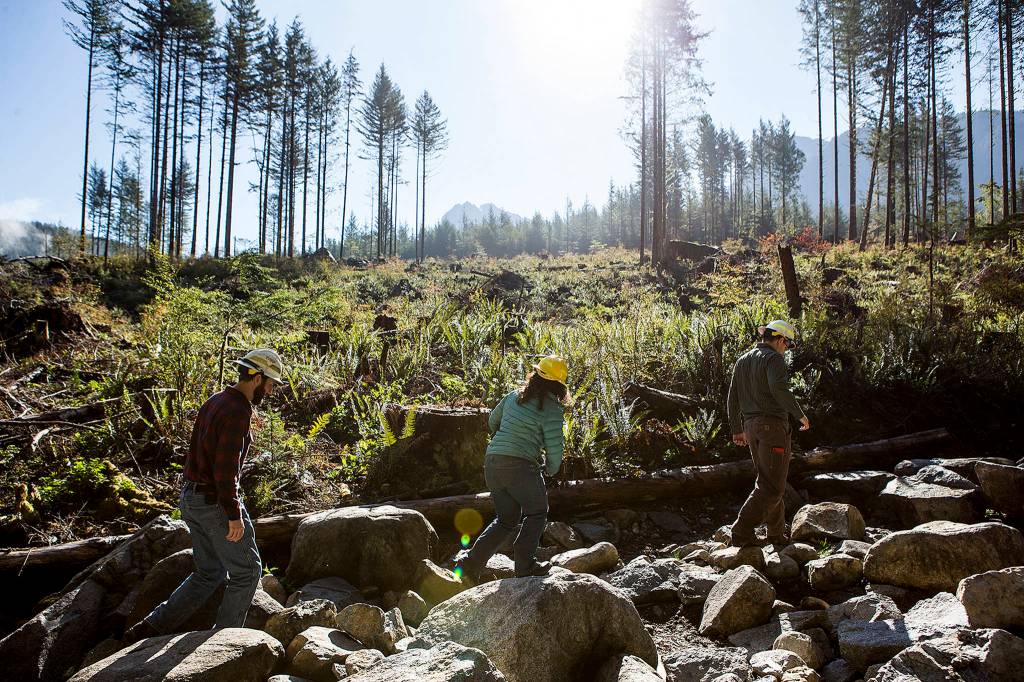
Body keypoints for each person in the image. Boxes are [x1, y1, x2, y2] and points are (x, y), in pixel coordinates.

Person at [124, 348, 286, 642]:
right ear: (258, 378)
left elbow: (202, 453)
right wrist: (234, 515)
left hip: (191, 498)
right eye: (271, 383)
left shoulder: (217, 400)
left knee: (209, 572)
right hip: (214, 504)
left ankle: (152, 626)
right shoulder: (237, 411)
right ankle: (223, 643)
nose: (272, 390)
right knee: (247, 572)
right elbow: (225, 473)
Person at [455, 355, 572, 581]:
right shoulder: (553, 410)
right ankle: (525, 564)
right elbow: (555, 449)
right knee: (537, 511)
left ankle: (470, 564)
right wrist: (550, 469)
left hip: (493, 461)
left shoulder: (514, 396)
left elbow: (492, 421)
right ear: (559, 385)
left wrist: (503, 441)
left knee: (506, 519)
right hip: (520, 466)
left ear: (536, 375)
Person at [726, 320, 809, 548]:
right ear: (781, 340)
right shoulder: (774, 359)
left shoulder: (742, 360)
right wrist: (799, 414)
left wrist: (737, 429)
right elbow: (778, 388)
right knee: (772, 487)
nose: (787, 351)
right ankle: (741, 530)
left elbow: (732, 398)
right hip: (773, 428)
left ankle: (775, 534)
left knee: (770, 481)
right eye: (788, 346)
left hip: (751, 428)